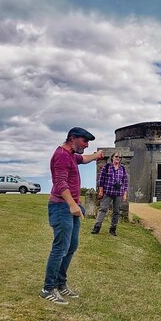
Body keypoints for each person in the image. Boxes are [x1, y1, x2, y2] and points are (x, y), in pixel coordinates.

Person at [40, 127, 104, 305]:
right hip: (61, 207)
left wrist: (96, 155)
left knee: (71, 246)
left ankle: (60, 284)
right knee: (60, 248)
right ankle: (48, 288)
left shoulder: (71, 155)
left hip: (71, 208)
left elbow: (83, 159)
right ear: (73, 138)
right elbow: (60, 182)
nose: (86, 144)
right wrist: (72, 204)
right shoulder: (61, 155)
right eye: (84, 141)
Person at [92, 150, 129, 236]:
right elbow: (101, 179)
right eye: (116, 157)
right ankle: (97, 227)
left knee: (116, 211)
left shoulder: (122, 169)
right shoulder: (107, 167)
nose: (118, 159)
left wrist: (125, 194)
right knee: (103, 209)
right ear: (112, 157)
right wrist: (101, 190)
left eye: (120, 157)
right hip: (108, 192)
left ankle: (113, 229)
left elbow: (125, 182)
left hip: (118, 193)